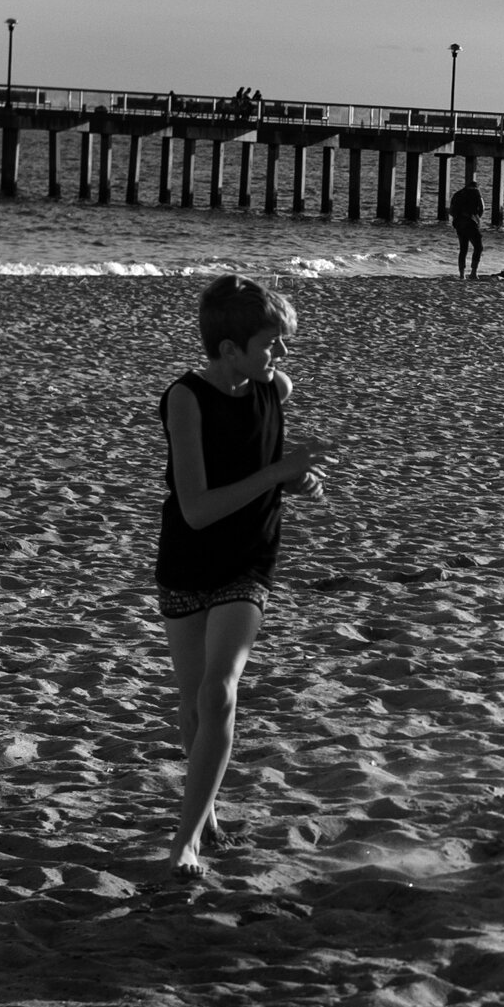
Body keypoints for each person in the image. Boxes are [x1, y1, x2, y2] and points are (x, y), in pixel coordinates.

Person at [156, 276, 336, 879]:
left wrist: (295, 481)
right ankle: (203, 810)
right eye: (271, 344)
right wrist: (281, 472)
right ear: (229, 348)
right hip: (188, 558)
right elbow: (198, 508)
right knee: (192, 702)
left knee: (219, 690)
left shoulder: (272, 388)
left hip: (249, 560)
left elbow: (264, 466)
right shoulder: (185, 399)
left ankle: (186, 841)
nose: (281, 358)